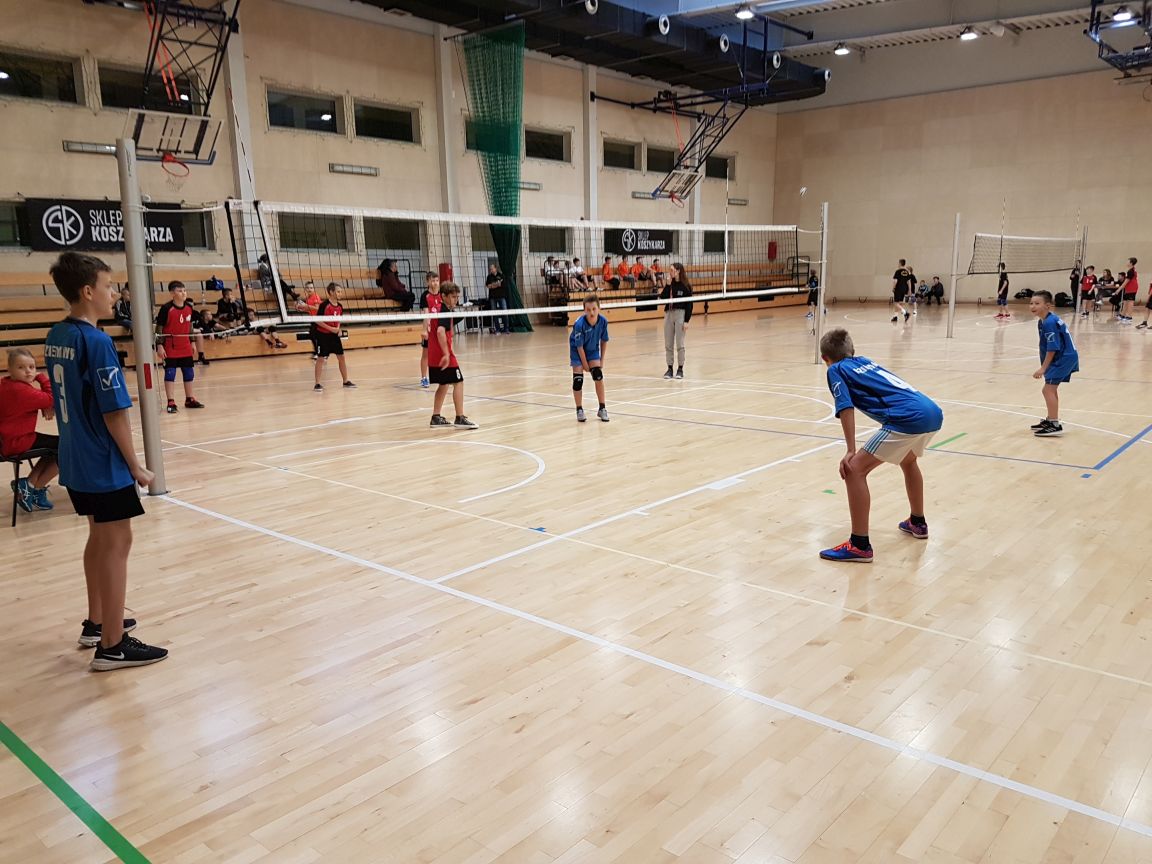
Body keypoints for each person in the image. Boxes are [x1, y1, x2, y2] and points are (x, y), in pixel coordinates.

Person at [44, 252, 166, 670]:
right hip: (101, 460)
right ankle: (113, 645)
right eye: (108, 286)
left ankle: (97, 623)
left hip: (74, 456)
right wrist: (135, 465)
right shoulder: (96, 342)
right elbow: (114, 412)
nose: (113, 294)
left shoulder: (57, 333)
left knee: (99, 537)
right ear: (87, 291)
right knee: (117, 542)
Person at [817, 328, 943, 563]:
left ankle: (859, 545)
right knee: (908, 460)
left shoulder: (835, 370)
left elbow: (845, 407)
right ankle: (917, 522)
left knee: (854, 470)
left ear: (825, 358)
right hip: (932, 412)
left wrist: (850, 450)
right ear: (853, 350)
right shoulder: (864, 361)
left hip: (907, 419)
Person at [0, 348, 58, 512]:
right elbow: (51, 398)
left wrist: (44, 404)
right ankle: (34, 488)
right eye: (21, 367)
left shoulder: (7, 384)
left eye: (32, 367)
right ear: (9, 369)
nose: (28, 371)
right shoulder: (21, 391)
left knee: (55, 447)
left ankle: (29, 486)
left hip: (7, 439)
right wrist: (40, 377)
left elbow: (38, 399)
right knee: (67, 448)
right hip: (17, 441)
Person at [427, 282, 477, 430]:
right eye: (453, 297)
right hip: (444, 355)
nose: (456, 299)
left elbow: (445, 324)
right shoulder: (443, 310)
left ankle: (436, 417)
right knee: (459, 382)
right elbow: (440, 331)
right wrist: (446, 353)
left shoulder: (436, 308)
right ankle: (459, 417)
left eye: (457, 297)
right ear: (444, 296)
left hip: (433, 355)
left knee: (444, 384)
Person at [1029, 290, 1079, 437]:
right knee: (1051, 388)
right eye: (1031, 303)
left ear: (1048, 306)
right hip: (1064, 357)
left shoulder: (1049, 323)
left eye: (1037, 303)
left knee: (1047, 390)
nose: (1033, 306)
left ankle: (1054, 424)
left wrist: (1043, 368)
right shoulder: (1044, 321)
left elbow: (1052, 348)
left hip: (1062, 358)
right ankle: (1051, 420)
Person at [155, 281, 206, 413]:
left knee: (189, 372)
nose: (183, 293)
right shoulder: (166, 308)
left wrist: (192, 342)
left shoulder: (189, 307)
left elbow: (190, 327)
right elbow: (159, 328)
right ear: (172, 293)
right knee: (170, 373)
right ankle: (171, 401)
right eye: (179, 291)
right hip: (170, 346)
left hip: (185, 345)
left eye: (184, 290)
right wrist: (159, 345)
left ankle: (189, 399)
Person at [570, 294, 610, 423]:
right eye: (588, 310)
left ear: (599, 308)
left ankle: (602, 408)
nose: (591, 313)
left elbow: (604, 341)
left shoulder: (603, 321)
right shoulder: (579, 324)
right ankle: (579, 409)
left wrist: (601, 360)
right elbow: (579, 347)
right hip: (577, 350)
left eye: (594, 309)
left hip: (592, 349)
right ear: (584, 310)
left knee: (598, 375)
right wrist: (585, 365)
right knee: (578, 380)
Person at [313, 282, 356, 391]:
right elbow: (318, 321)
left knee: (341, 357)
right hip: (323, 335)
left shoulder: (340, 306)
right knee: (321, 358)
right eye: (338, 291)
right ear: (331, 292)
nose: (340, 293)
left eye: (341, 291)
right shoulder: (324, 305)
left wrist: (337, 328)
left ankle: (345, 381)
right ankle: (317, 384)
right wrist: (331, 329)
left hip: (334, 336)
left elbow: (338, 320)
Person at [660, 263, 693, 380]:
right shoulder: (670, 283)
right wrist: (667, 285)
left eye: (672, 270)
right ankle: (669, 369)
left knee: (680, 344)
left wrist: (686, 321)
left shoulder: (686, 285)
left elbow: (689, 304)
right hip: (669, 314)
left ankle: (680, 369)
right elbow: (662, 298)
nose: (670, 272)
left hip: (680, 314)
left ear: (678, 271)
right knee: (668, 344)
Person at [418, 271, 442, 386]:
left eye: (437, 280)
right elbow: (426, 314)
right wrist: (424, 330)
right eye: (432, 281)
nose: (435, 283)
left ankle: (442, 375)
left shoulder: (442, 294)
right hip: (430, 329)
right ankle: (424, 377)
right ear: (428, 282)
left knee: (442, 352)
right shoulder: (425, 296)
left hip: (440, 329)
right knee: (426, 354)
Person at [294, 281, 322, 358]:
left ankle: (319, 353)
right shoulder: (308, 298)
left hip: (319, 319)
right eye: (308, 288)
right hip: (313, 319)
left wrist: (305, 305)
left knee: (315, 336)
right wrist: (301, 308)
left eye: (311, 288)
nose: (309, 289)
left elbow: (317, 308)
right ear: (305, 289)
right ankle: (317, 352)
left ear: (314, 289)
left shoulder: (315, 296)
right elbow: (309, 309)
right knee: (312, 335)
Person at [485, 263, 508, 334]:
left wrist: (493, 285)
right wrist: (496, 284)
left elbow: (502, 285)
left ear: (495, 268)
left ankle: (506, 329)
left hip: (501, 296)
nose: (491, 270)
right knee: (495, 313)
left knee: (505, 312)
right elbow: (488, 286)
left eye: (492, 268)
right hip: (492, 297)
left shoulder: (501, 275)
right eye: (490, 269)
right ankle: (497, 329)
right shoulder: (489, 277)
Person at [1118, 257, 1139, 323]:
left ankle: (1129, 317)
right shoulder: (1130, 270)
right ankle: (1123, 315)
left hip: (1132, 288)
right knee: (1125, 302)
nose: (1126, 262)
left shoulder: (1131, 271)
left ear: (1131, 263)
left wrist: (1118, 290)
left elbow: (1125, 282)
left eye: (1128, 261)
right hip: (1128, 288)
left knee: (1130, 302)